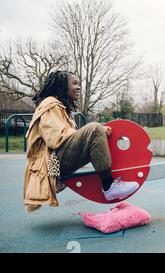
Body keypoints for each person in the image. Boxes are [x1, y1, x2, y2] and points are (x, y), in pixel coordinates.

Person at [23, 70, 139, 212]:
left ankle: (108, 182)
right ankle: (109, 186)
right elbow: (55, 138)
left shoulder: (61, 107)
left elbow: (69, 136)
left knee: (96, 130)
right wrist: (95, 131)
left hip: (55, 160)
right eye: (74, 83)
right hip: (50, 165)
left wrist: (95, 132)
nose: (78, 87)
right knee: (95, 129)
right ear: (62, 85)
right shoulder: (50, 104)